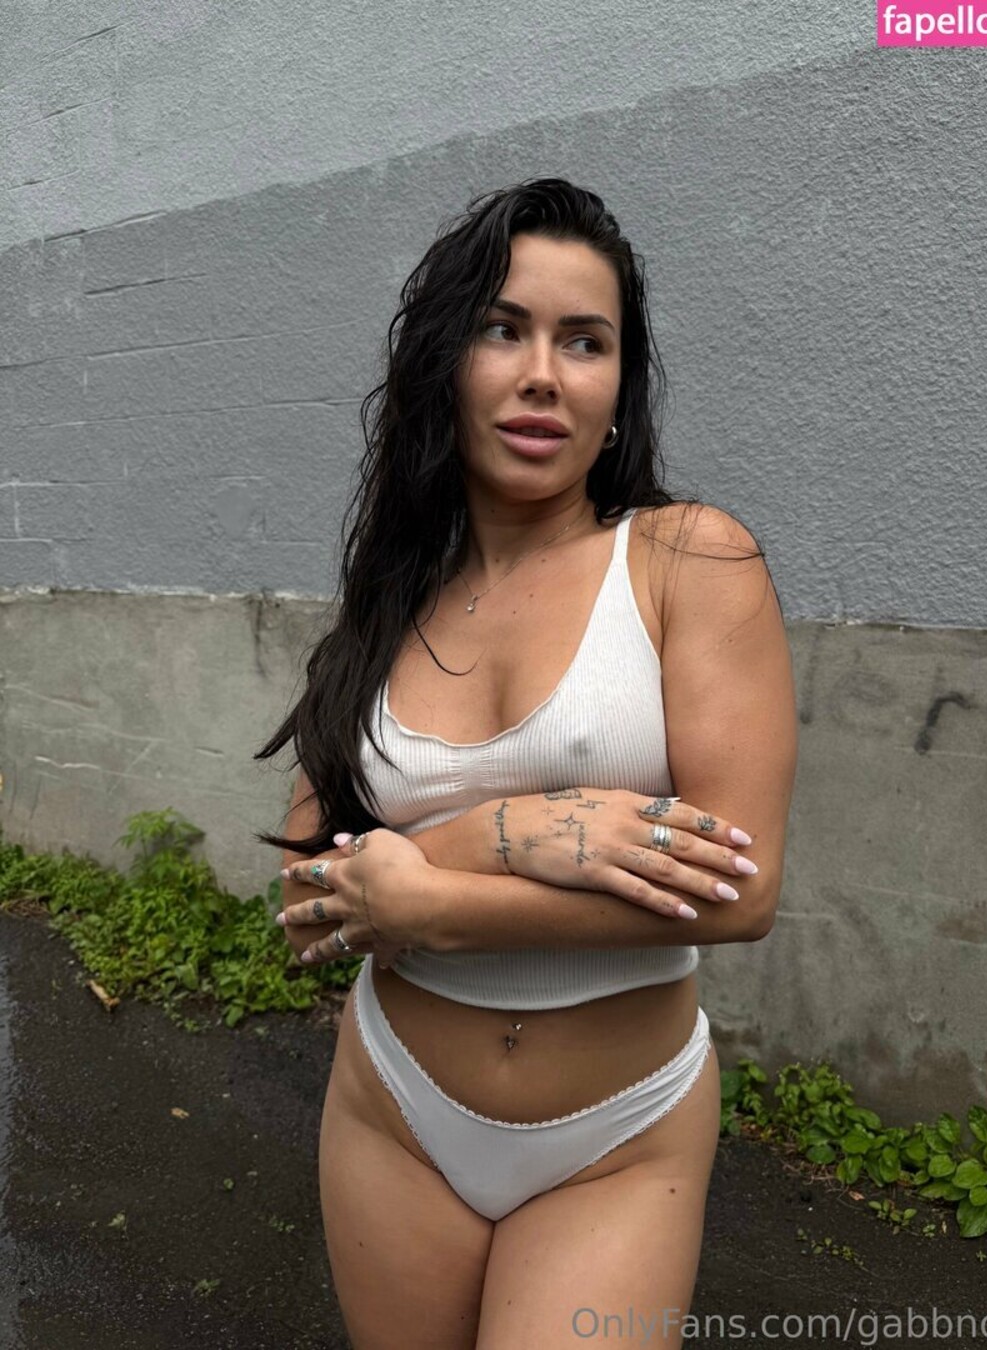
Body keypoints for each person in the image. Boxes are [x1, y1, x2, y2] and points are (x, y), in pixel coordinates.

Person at [257, 177, 798, 1349]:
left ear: (619, 388)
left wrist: (435, 901)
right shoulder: (389, 607)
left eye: (585, 341)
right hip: (394, 1112)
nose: (544, 374)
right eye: (504, 330)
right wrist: (502, 835)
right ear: (445, 365)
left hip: (617, 1138)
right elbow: (307, 900)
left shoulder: (686, 562)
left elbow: (741, 894)